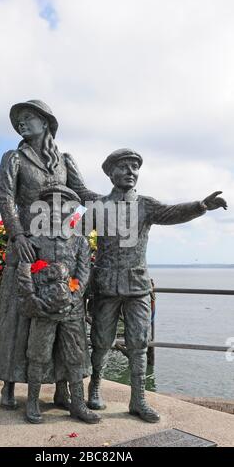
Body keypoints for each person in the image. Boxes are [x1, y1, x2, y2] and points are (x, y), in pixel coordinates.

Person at [88, 148, 227, 423]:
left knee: (139, 343)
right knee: (101, 341)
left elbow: (172, 212)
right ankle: (95, 387)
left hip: (137, 286)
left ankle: (138, 399)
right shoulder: (99, 207)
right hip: (104, 285)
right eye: (124, 166)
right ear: (110, 172)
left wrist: (201, 205)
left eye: (135, 167)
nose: (131, 171)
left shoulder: (145, 204)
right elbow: (79, 240)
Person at [0, 100, 97, 409]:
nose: (22, 123)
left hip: (60, 244)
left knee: (61, 308)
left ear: (46, 122)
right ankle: (8, 384)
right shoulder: (14, 158)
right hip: (27, 244)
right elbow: (6, 198)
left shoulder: (65, 160)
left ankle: (62, 387)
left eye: (28, 117)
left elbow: (84, 194)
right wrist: (18, 235)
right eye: (19, 120)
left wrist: (113, 198)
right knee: (16, 316)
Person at [16, 185, 100, 424]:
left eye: (62, 205)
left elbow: (84, 274)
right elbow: (24, 271)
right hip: (42, 310)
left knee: (75, 355)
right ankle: (32, 401)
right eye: (50, 204)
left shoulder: (79, 242)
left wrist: (73, 300)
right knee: (38, 355)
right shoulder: (35, 240)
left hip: (70, 311)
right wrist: (33, 299)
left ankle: (78, 403)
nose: (55, 209)